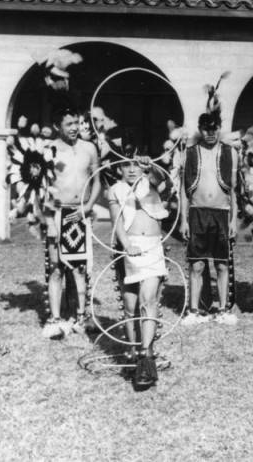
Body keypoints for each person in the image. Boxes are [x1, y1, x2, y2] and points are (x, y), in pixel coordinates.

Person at [108, 145, 169, 389]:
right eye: (126, 164)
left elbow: (162, 180)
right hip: (130, 249)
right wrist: (126, 245)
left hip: (153, 247)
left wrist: (150, 167)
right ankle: (134, 354)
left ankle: (146, 356)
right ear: (118, 168)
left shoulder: (150, 181)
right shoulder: (115, 190)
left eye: (135, 164)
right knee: (131, 306)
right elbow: (117, 223)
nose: (131, 169)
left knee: (148, 300)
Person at [40, 107, 101, 338]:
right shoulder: (49, 149)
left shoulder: (89, 148)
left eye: (76, 122)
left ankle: (80, 317)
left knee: (80, 268)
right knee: (56, 267)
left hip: (80, 214)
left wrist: (88, 206)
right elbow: (43, 189)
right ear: (58, 127)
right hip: (57, 212)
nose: (75, 127)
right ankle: (55, 319)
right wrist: (51, 222)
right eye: (69, 124)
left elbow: (97, 181)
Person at [179, 112, 239, 325]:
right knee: (197, 266)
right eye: (206, 129)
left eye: (214, 128)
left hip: (221, 213)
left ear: (220, 128)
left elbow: (233, 190)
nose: (210, 133)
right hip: (197, 212)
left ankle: (222, 309)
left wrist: (233, 220)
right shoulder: (190, 153)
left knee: (222, 265)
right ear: (200, 129)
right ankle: (193, 311)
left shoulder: (230, 153)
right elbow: (184, 190)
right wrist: (184, 220)